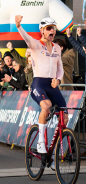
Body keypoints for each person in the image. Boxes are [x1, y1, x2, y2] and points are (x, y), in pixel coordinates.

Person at [15, 15, 68, 169]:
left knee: (64, 115)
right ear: (42, 31)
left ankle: (52, 152)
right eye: (48, 28)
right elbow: (26, 38)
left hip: (53, 85)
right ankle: (40, 143)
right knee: (46, 106)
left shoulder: (57, 48)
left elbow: (60, 69)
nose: (52, 31)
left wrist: (58, 79)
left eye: (53, 28)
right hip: (38, 84)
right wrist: (19, 26)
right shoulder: (36, 45)